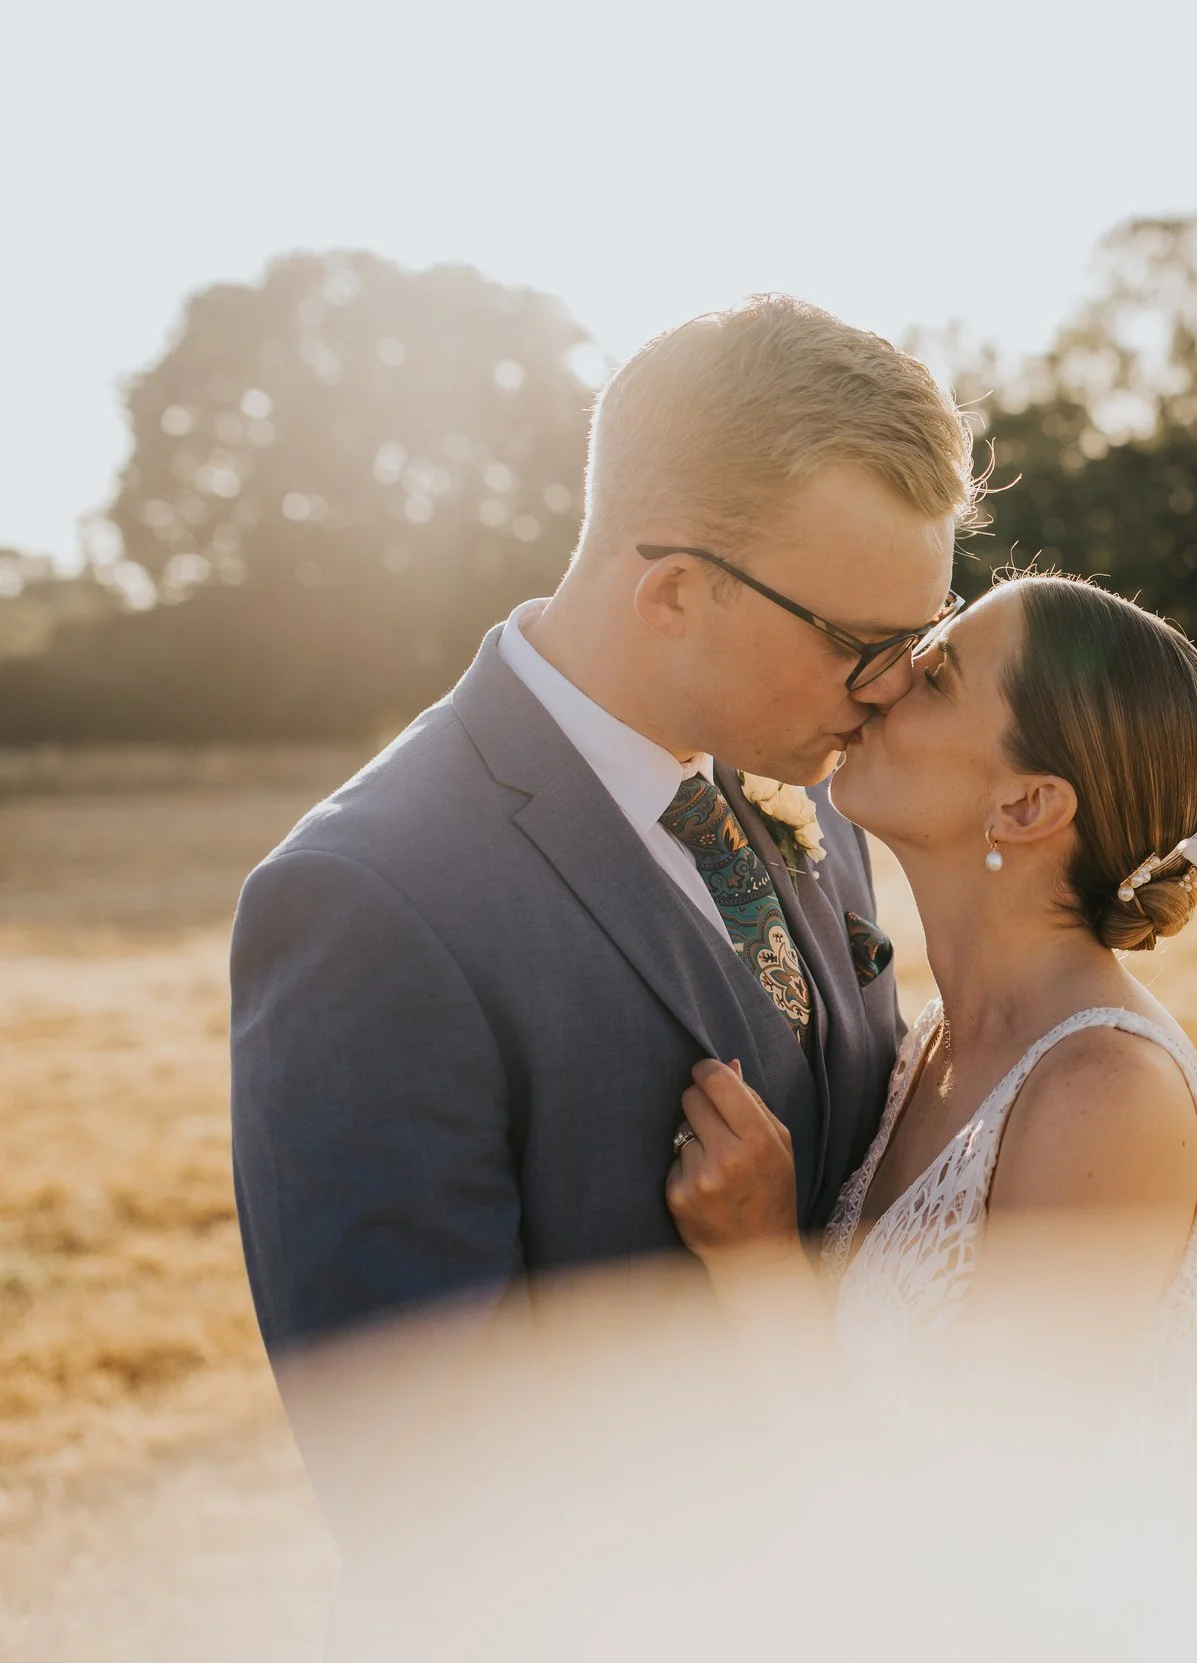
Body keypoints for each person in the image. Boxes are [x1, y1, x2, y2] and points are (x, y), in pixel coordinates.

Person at [228, 294, 975, 1515]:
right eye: (859, 641)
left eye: (919, 637)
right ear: (675, 591)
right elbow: (430, 1483)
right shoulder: (367, 902)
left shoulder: (808, 787)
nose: (892, 690)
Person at [663, 573, 1197, 1429]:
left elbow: (981, 1524)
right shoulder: (936, 1037)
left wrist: (759, 1263)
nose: (881, 681)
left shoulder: (1109, 1096)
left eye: (934, 676)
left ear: (1026, 804)